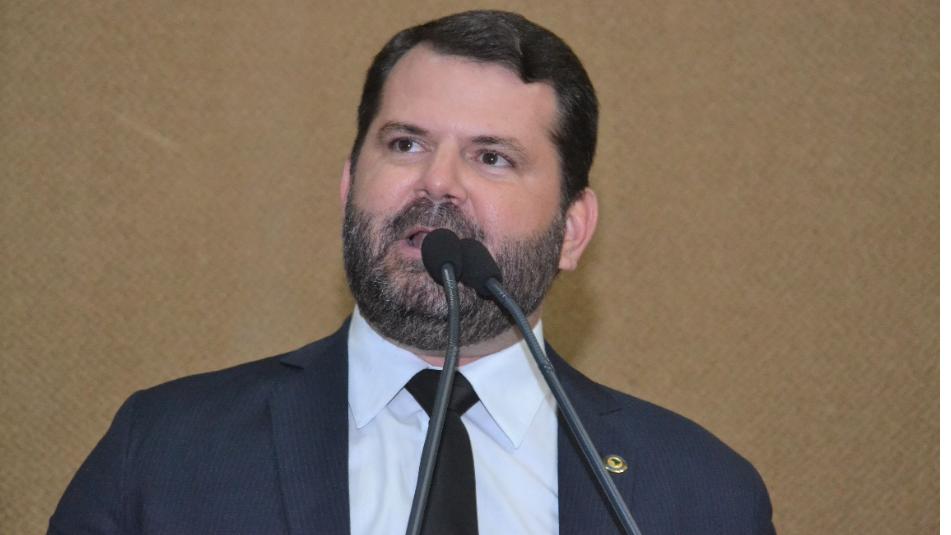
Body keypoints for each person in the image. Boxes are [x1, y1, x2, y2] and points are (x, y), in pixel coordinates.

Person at [49, 10, 775, 535]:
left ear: (572, 230)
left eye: (492, 157)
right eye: (405, 144)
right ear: (348, 187)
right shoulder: (167, 450)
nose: (438, 183)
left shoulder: (702, 495)